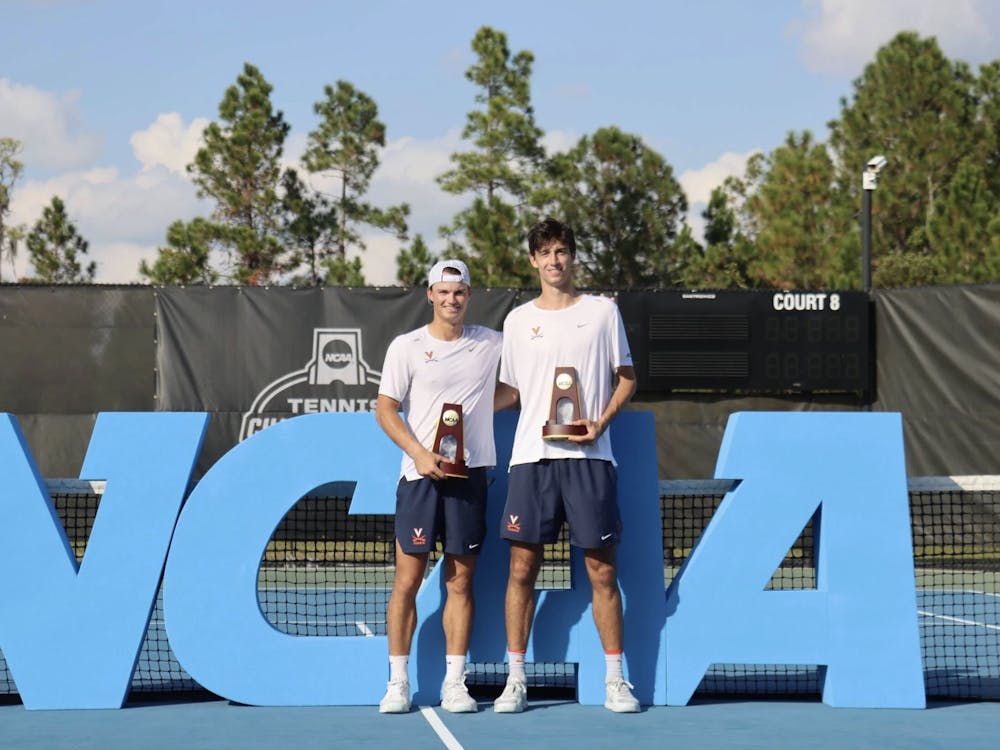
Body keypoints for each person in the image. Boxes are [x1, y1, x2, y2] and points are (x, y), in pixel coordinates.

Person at [491, 217, 640, 713]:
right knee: (521, 568)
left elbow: (627, 377)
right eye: (545, 252)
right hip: (532, 462)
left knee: (601, 571)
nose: (555, 260)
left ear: (573, 257)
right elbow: (510, 392)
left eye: (562, 251)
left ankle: (616, 681)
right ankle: (516, 680)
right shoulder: (516, 321)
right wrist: (457, 402)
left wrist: (601, 421)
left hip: (590, 459)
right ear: (533, 260)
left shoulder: (602, 313)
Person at [374, 259, 502, 714]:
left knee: (461, 581)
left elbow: (522, 385)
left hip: (470, 480)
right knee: (407, 580)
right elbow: (386, 409)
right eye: (443, 292)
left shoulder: (491, 343)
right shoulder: (406, 347)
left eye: (459, 292)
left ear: (470, 295)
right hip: (419, 479)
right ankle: (397, 683)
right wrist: (420, 454)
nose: (451, 299)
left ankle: (454, 684)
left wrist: (483, 411)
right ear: (430, 294)